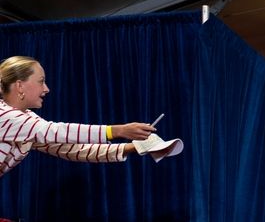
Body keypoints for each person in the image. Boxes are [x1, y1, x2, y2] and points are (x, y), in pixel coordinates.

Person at [0, 55, 172, 177]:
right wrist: (118, 130)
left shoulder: (29, 120)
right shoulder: (5, 115)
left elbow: (72, 149)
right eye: (41, 81)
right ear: (20, 86)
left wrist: (135, 146)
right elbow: (56, 131)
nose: (46, 89)